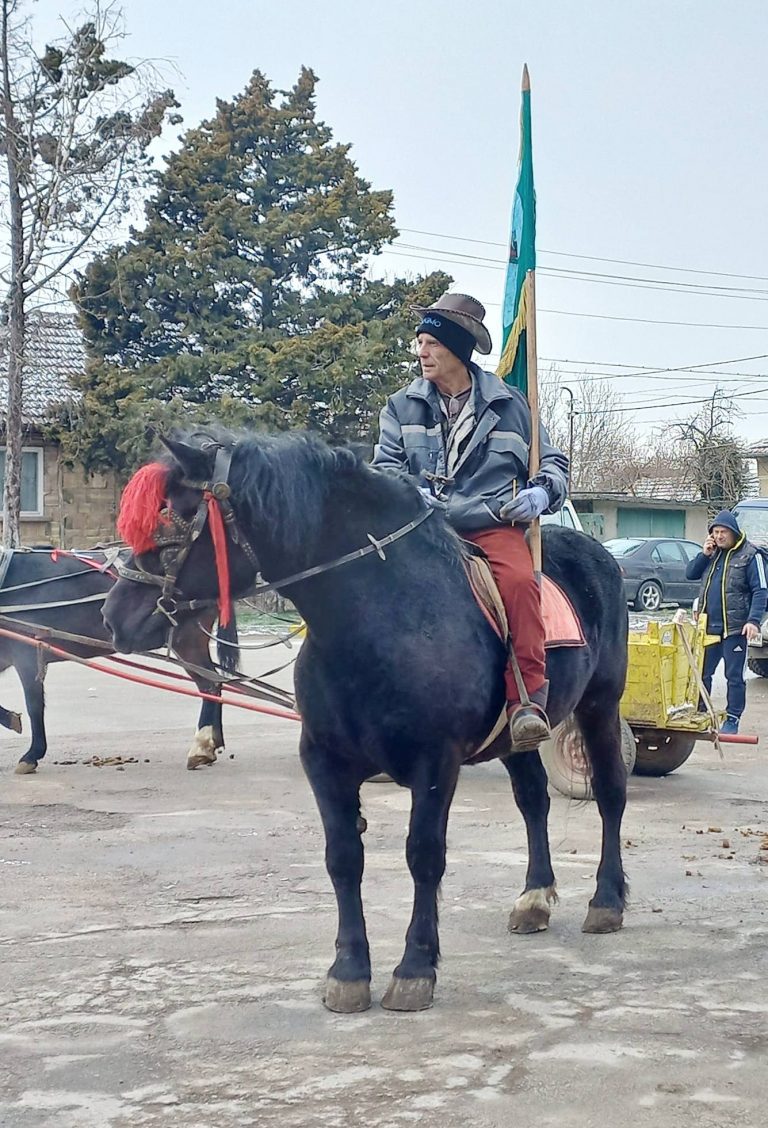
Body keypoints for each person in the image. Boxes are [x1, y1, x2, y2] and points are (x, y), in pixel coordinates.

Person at [372, 292, 569, 751]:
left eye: (432, 344)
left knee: (520, 585)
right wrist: (406, 491)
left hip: (490, 524)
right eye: (419, 342)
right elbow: (384, 468)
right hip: (419, 528)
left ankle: (526, 702)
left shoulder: (513, 405)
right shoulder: (400, 406)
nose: (421, 352)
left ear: (458, 350)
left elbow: (553, 462)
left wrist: (542, 492)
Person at [685, 509, 768, 734]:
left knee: (733, 676)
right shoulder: (713, 554)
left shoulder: (751, 555)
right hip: (708, 628)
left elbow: (761, 591)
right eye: (716, 532)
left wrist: (753, 621)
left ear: (734, 532)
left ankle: (732, 719)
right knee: (701, 673)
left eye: (723, 532)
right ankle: (701, 711)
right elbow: (690, 574)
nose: (719, 536)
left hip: (735, 629)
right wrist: (704, 554)